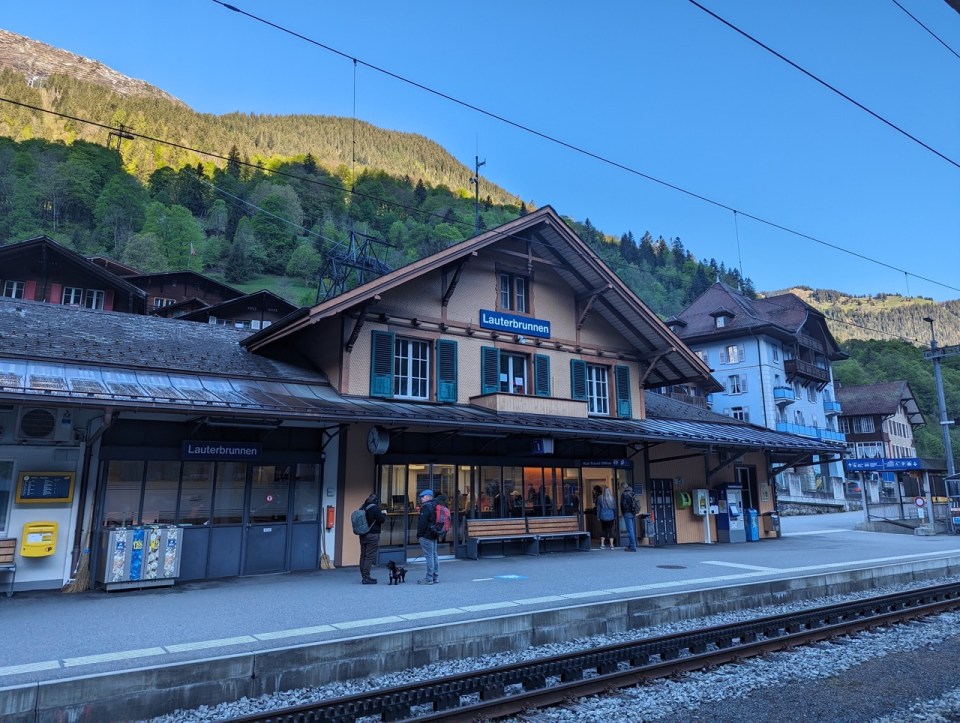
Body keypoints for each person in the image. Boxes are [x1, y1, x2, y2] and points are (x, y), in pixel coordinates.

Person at [359, 492, 387, 584]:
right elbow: (381, 520)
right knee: (370, 556)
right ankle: (366, 577)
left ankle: (363, 575)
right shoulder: (374, 508)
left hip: (363, 534)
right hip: (373, 534)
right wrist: (384, 514)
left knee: (363, 555)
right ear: (376, 501)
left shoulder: (363, 507)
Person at [416, 489, 440, 585]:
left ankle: (429, 578)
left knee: (429, 556)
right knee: (434, 555)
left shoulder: (426, 507)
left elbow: (422, 523)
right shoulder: (435, 505)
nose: (421, 498)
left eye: (423, 497)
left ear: (427, 497)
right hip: (434, 534)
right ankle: (435, 577)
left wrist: (419, 535)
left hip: (426, 535)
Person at [619, 482, 638, 552]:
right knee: (632, 529)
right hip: (633, 513)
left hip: (627, 513)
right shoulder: (633, 493)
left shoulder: (624, 494)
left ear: (623, 487)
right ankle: (631, 545)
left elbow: (623, 505)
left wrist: (623, 512)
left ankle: (633, 547)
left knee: (630, 531)